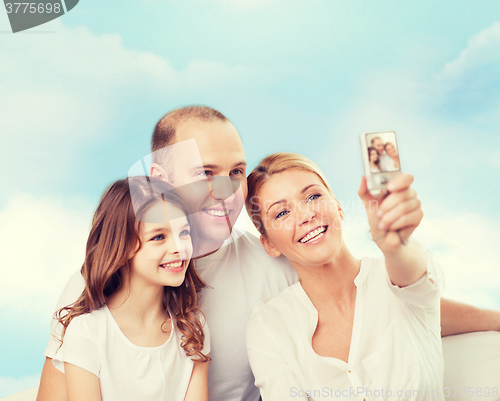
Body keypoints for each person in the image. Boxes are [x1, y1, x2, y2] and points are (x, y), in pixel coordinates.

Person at [37, 106, 500, 401]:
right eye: (206, 173)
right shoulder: (100, 280)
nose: (226, 191)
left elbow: (385, 304)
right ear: (158, 178)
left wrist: (492, 318)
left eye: (236, 172)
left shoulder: (272, 262)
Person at [245, 152, 443, 400]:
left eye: (313, 196)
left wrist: (395, 245)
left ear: (338, 206)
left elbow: (415, 277)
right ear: (270, 245)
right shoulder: (270, 323)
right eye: (281, 213)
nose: (306, 216)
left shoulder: (396, 279)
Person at [51, 177, 210, 401]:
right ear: (121, 246)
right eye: (158, 236)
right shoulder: (88, 332)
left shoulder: (191, 328)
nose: (179, 247)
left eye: (184, 232)